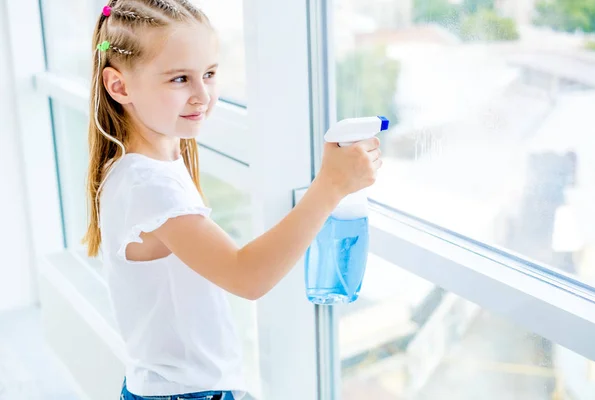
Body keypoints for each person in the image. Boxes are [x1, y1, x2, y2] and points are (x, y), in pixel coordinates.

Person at [82, 1, 382, 399]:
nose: (202, 95)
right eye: (179, 80)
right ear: (119, 86)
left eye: (208, 74)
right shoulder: (147, 184)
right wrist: (330, 186)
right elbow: (247, 276)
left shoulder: (146, 166)